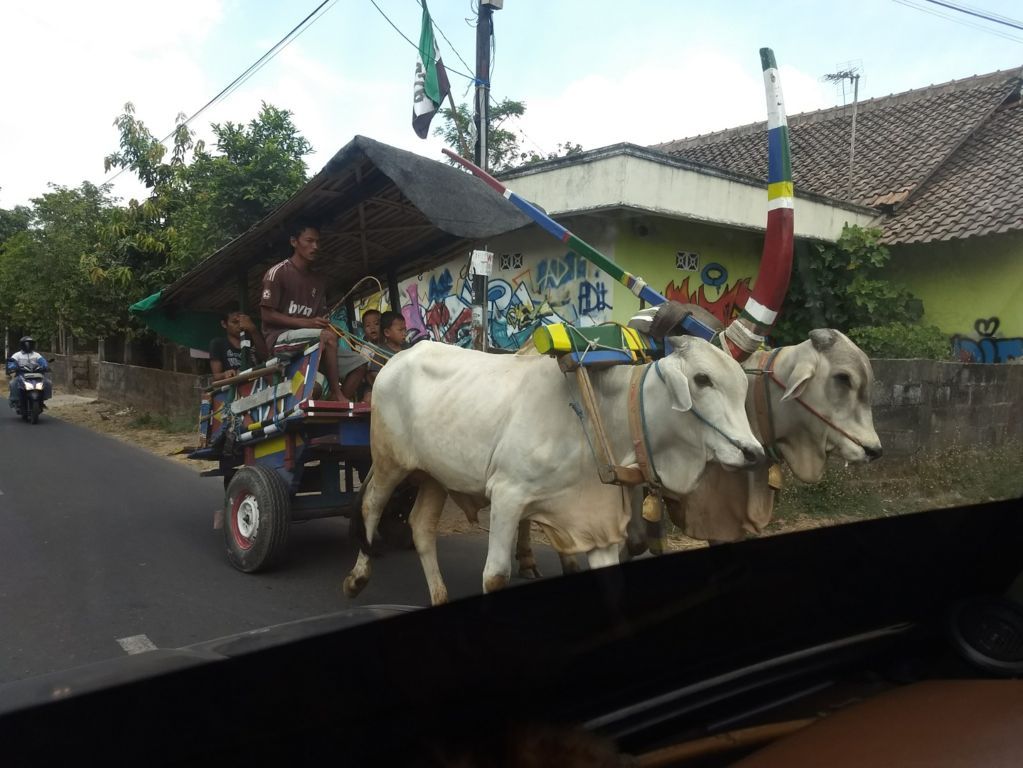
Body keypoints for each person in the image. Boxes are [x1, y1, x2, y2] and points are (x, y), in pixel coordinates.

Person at [260, 220, 368, 402]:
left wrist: (329, 326)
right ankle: (336, 392)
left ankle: (332, 406)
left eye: (317, 242)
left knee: (359, 365)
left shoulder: (318, 280)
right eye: (309, 241)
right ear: (294, 242)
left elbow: (319, 319)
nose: (315, 246)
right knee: (326, 337)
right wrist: (308, 324)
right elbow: (266, 314)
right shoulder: (277, 272)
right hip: (279, 340)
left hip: (313, 339)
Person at [208, 309, 268, 382]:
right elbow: (216, 376)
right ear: (224, 324)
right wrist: (225, 374)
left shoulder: (253, 340)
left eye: (242, 322)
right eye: (235, 322)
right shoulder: (218, 343)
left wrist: (253, 330)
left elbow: (266, 358)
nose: (240, 325)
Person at [7, 336, 50, 407]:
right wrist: (13, 367)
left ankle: (43, 399)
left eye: (30, 344)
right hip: (21, 374)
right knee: (13, 383)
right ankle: (14, 400)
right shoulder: (17, 355)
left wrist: (45, 366)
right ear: (22, 345)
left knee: (47, 382)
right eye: (26, 344)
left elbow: (43, 361)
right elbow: (11, 363)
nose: (28, 346)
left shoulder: (36, 355)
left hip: (36, 374)